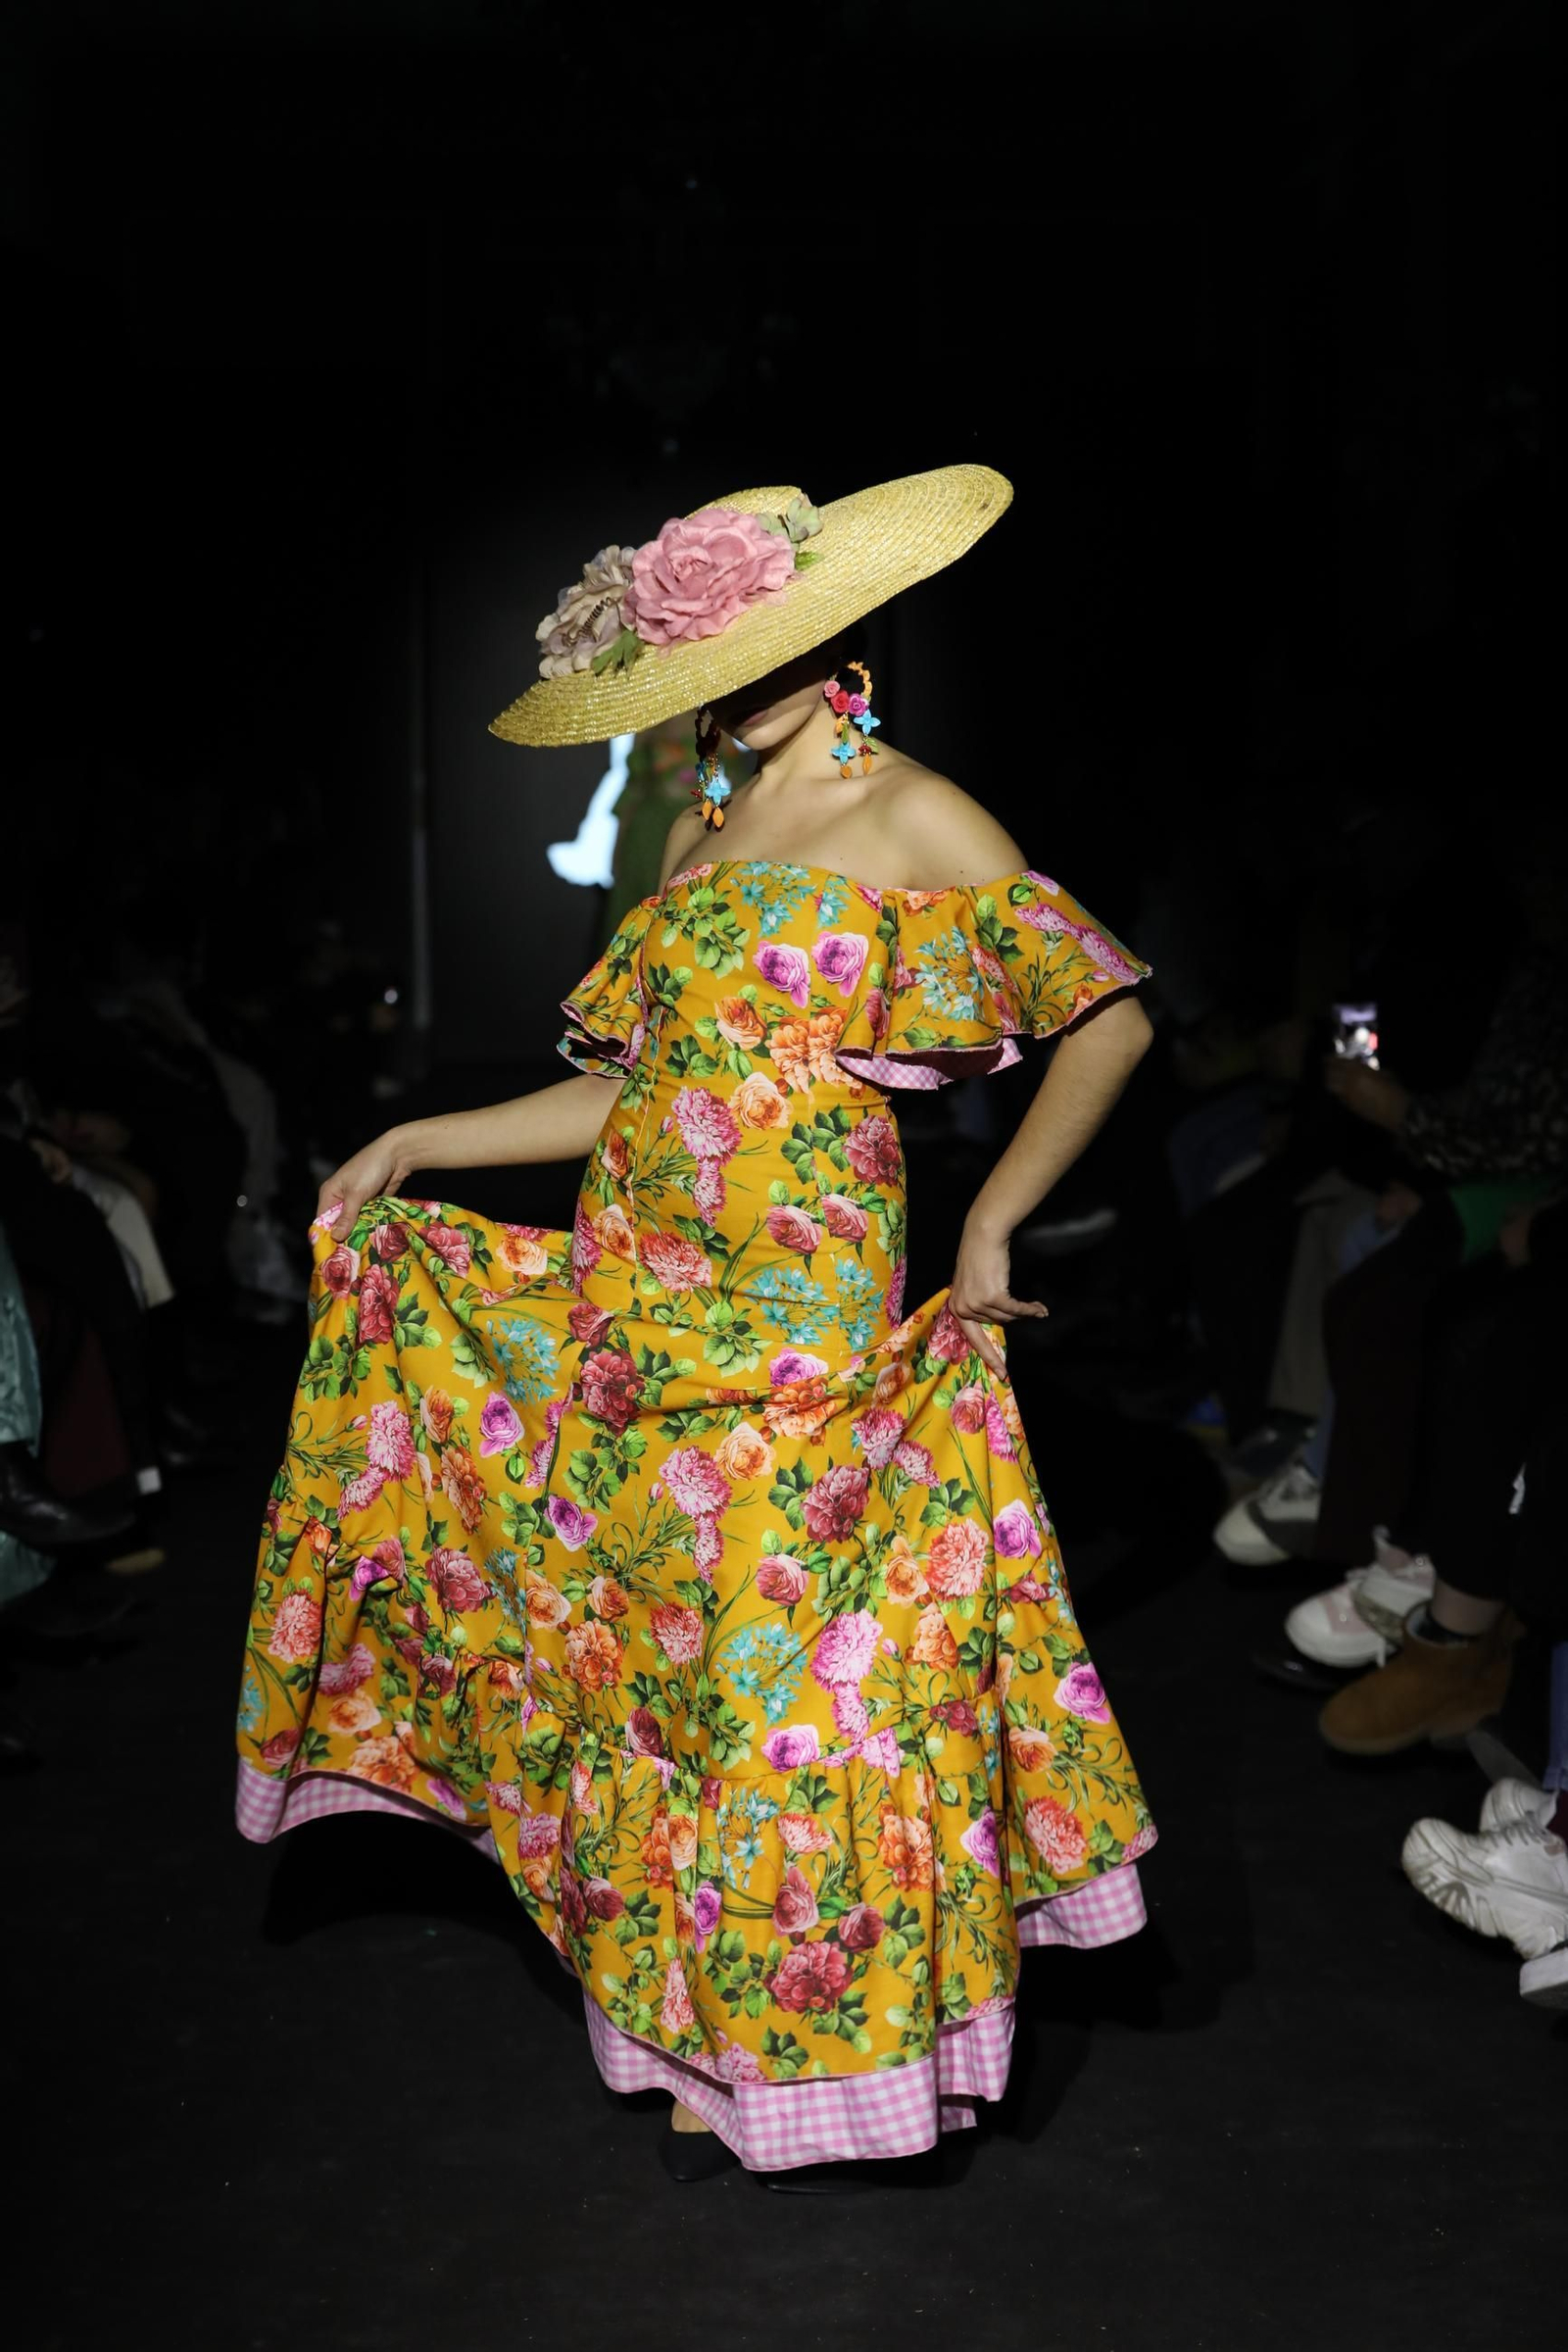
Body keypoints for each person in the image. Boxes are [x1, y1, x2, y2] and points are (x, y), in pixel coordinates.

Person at [236, 467, 1158, 2181]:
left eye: (772, 646)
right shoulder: (693, 837)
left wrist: (991, 1221)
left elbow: (1102, 1019)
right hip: (636, 1295)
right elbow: (629, 1097)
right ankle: (705, 2043)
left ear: (839, 640)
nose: (744, 684)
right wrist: (419, 1137)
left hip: (801, 1313)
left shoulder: (917, 815)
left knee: (784, 1682)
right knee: (674, 1675)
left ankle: (828, 2068)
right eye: (714, 663)